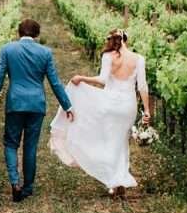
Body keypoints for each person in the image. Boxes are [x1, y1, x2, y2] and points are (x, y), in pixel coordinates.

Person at [50, 28, 150, 198]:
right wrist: (147, 110)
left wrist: (82, 78)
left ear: (112, 40)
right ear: (126, 39)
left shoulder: (108, 57)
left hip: (110, 104)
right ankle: (119, 182)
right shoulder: (138, 59)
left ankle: (113, 181)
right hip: (128, 106)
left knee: (110, 140)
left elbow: (102, 80)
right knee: (122, 142)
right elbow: (142, 86)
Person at [0, 19, 74, 202]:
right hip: (36, 104)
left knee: (11, 143)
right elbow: (55, 82)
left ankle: (14, 181)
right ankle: (27, 187)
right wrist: (67, 105)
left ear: (19, 33)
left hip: (15, 103)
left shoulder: (7, 50)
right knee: (30, 146)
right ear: (37, 34)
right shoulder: (45, 52)